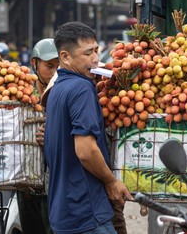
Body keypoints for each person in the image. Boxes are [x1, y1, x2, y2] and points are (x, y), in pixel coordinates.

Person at [44, 21, 132, 234]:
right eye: (87, 53)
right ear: (65, 57)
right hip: (86, 211)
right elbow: (85, 150)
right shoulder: (82, 88)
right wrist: (111, 182)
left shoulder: (57, 88)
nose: (95, 59)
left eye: (96, 51)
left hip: (64, 213)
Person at [14, 39, 59, 234]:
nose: (54, 71)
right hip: (26, 185)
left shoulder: (62, 92)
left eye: (58, 66)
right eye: (49, 66)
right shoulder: (23, 95)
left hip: (54, 185)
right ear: (35, 64)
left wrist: (51, 137)